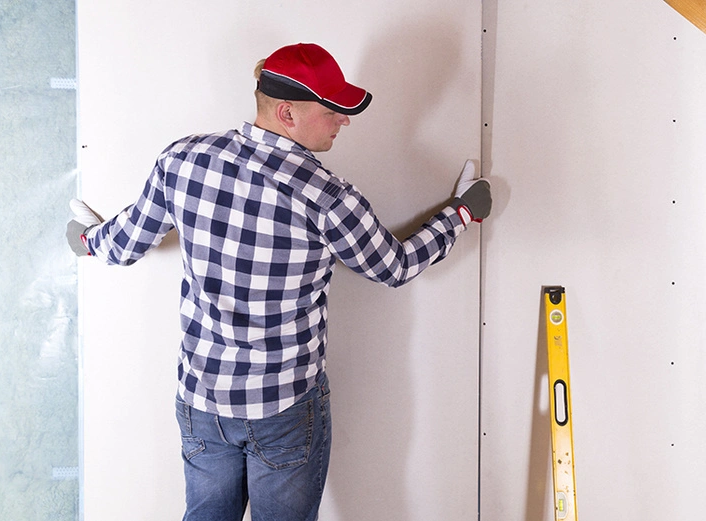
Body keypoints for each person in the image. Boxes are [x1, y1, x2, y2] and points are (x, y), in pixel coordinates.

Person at [66, 42, 491, 521]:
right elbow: (393, 267)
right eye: (332, 108)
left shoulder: (183, 160)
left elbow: (124, 243)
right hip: (283, 409)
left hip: (202, 402)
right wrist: (461, 214)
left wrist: (85, 239)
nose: (342, 120)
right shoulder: (327, 196)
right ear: (287, 112)